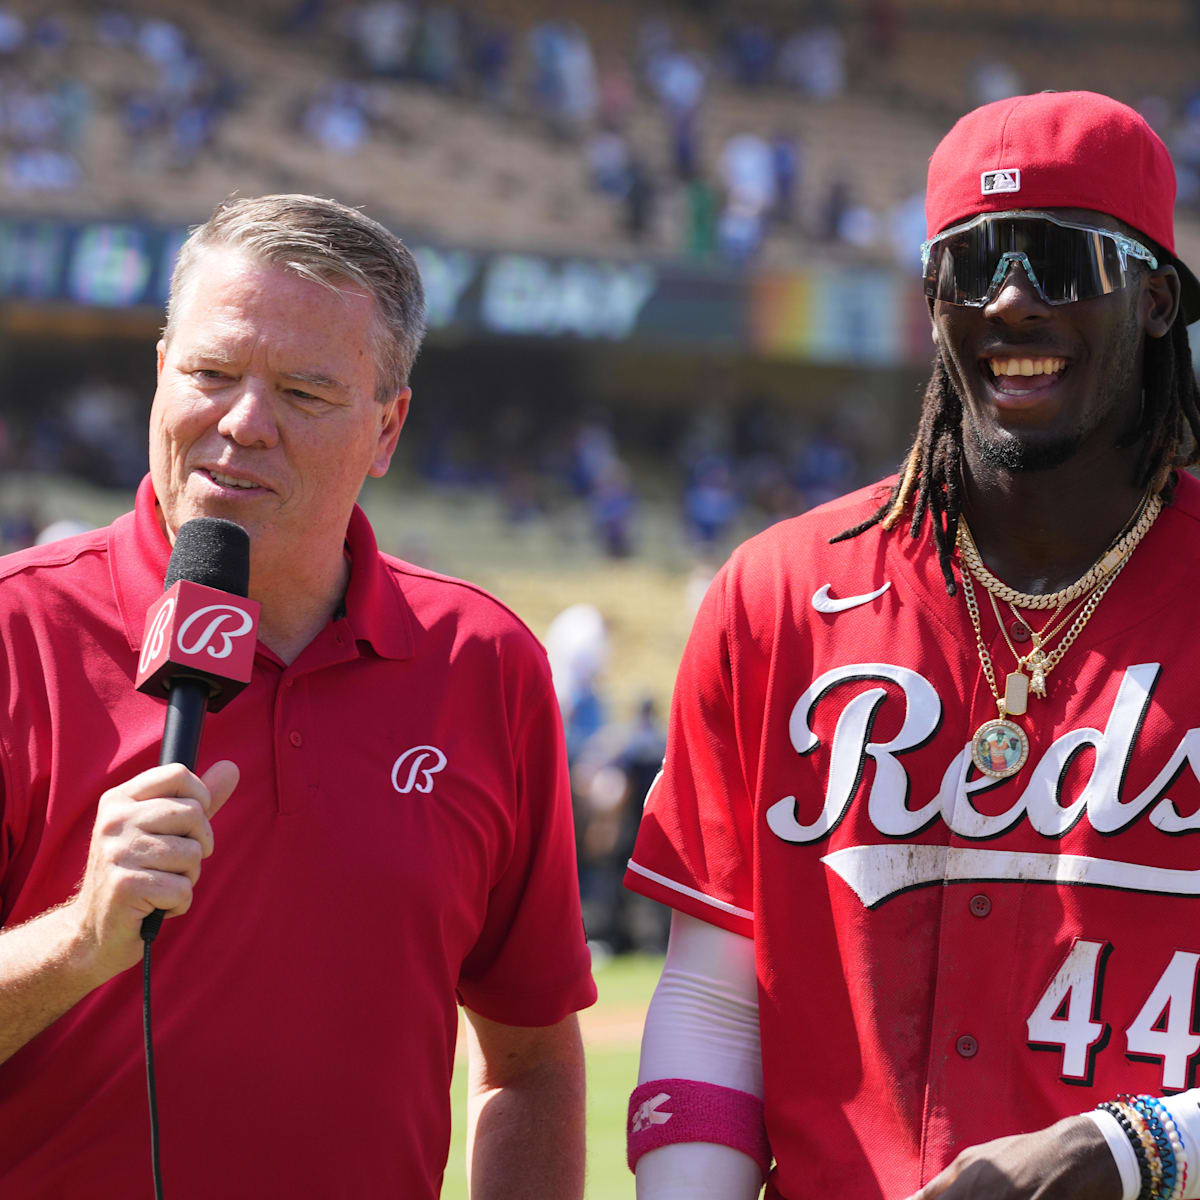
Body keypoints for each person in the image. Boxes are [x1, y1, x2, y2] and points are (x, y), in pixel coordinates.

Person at [624, 90, 1200, 1200]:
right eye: (970, 264)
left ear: (1160, 298)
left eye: (1059, 259)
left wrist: (1131, 1151)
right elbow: (711, 993)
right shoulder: (779, 591)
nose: (1013, 300)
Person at [0, 194, 595, 1198]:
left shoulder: (485, 664)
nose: (242, 424)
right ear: (159, 376)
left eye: (305, 392)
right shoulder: (16, 634)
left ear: (387, 427)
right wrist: (78, 940)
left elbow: (532, 1063)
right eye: (210, 374)